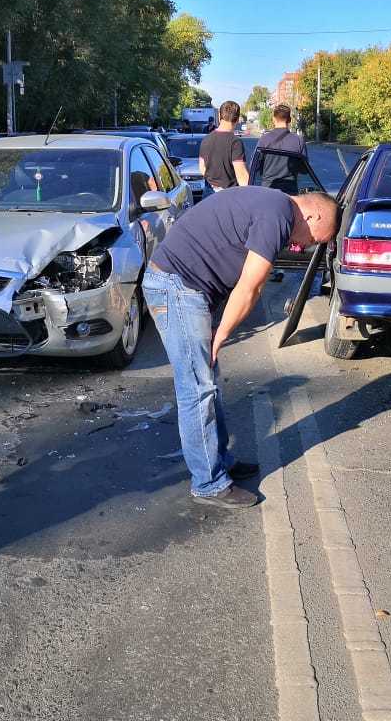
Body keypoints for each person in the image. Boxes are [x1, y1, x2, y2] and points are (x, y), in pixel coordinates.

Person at [144, 186, 339, 508]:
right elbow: (252, 286)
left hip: (184, 287)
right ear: (313, 215)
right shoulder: (278, 213)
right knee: (197, 389)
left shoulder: (273, 204)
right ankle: (208, 483)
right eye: (317, 239)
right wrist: (222, 334)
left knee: (206, 383)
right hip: (177, 287)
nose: (307, 246)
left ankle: (218, 460)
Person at [198, 100, 249, 191]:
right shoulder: (235, 142)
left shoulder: (206, 139)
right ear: (237, 119)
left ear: (219, 116)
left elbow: (202, 169)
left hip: (209, 192)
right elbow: (242, 177)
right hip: (229, 194)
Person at [256, 104, 306, 194]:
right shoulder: (298, 140)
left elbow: (256, 165)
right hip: (290, 191)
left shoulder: (264, 139)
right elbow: (304, 169)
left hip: (268, 190)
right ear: (289, 120)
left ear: (273, 119)